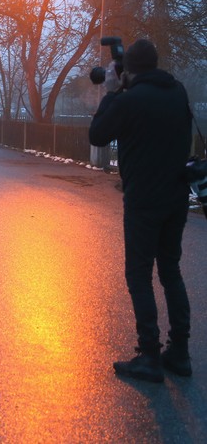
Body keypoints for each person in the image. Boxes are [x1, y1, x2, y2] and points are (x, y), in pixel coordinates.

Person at [89, 39, 192, 382]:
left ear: (129, 70)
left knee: (138, 275)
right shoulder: (177, 92)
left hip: (144, 200)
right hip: (176, 197)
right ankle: (179, 352)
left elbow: (98, 135)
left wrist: (112, 92)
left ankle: (148, 355)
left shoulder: (129, 100)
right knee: (170, 272)